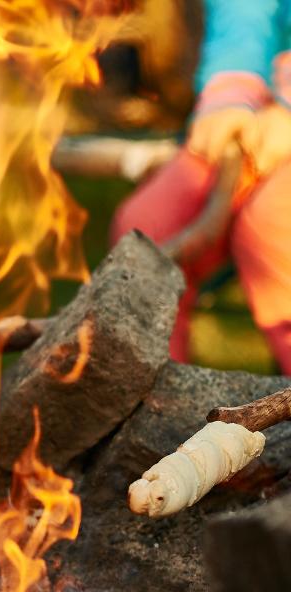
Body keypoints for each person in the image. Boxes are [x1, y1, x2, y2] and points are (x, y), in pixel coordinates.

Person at [110, 0, 291, 373]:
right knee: (146, 228)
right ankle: (160, 416)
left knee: (275, 227)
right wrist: (231, 93)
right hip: (262, 98)